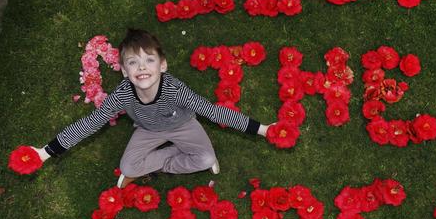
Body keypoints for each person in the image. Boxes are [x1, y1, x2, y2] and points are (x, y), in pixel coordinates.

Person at [32, 29, 270, 187]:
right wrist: (46, 152)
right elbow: (91, 123)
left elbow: (213, 111)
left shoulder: (175, 90)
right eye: (133, 62)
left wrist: (263, 130)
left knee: (206, 158)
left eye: (149, 60)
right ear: (125, 71)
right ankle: (171, 157)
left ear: (163, 65)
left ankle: (180, 156)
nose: (141, 68)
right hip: (148, 129)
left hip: (182, 125)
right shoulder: (122, 95)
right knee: (127, 167)